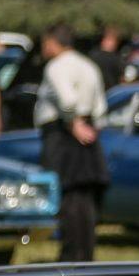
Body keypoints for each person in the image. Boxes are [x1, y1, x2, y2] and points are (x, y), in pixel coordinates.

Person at [35, 23, 110, 262]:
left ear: (52, 42)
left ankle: (71, 255)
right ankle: (85, 253)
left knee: (68, 198)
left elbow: (67, 100)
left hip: (64, 134)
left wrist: (73, 123)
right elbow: (100, 106)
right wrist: (90, 125)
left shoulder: (56, 67)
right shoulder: (88, 65)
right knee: (85, 199)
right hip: (88, 132)